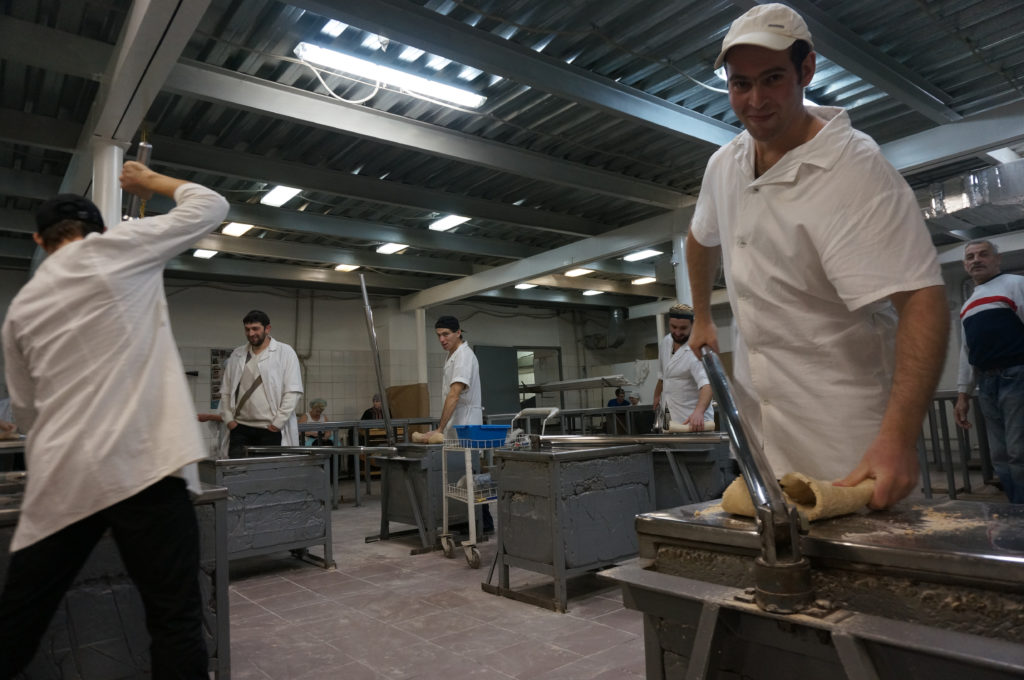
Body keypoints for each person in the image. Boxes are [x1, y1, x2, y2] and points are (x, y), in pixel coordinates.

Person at [685, 3, 948, 509]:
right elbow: (700, 237)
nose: (755, 100)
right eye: (741, 84)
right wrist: (701, 317)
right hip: (763, 426)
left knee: (864, 572)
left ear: (807, 71)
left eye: (772, 79)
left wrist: (897, 438)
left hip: (844, 430)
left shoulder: (856, 171)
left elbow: (922, 299)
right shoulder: (725, 163)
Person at [0, 162, 228, 678]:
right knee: (174, 619)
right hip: (144, 464)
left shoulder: (21, 307)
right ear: (96, 231)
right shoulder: (120, 247)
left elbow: (27, 411)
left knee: (18, 619)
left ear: (39, 239)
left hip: (64, 477)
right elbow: (211, 204)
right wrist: (148, 181)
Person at [954, 240, 1024, 503]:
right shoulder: (968, 305)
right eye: (970, 257)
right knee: (1000, 455)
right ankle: (1015, 508)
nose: (976, 260)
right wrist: (963, 395)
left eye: (983, 254)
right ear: (965, 265)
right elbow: (966, 352)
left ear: (997, 260)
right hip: (987, 383)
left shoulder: (1015, 285)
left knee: (1019, 451)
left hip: (1017, 376)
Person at [422, 316, 491, 531]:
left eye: (446, 334)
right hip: (457, 425)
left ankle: (481, 522)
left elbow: (454, 395)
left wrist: (439, 429)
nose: (442, 339)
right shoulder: (452, 356)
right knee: (461, 476)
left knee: (468, 474)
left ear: (458, 332)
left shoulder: (463, 356)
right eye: (439, 335)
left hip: (466, 425)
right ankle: (468, 520)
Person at [219, 310, 303, 458]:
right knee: (237, 475)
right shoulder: (237, 355)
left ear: (267, 328)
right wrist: (229, 420)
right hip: (240, 429)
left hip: (270, 430)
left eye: (255, 329)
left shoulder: (285, 352)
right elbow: (225, 391)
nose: (251, 333)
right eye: (247, 329)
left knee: (268, 476)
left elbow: (293, 391)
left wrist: (277, 424)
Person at [653, 304, 715, 430]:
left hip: (693, 422)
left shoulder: (699, 349)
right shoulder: (666, 342)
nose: (677, 332)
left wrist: (699, 411)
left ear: (692, 325)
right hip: (669, 419)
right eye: (673, 327)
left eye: (683, 328)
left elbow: (708, 385)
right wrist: (657, 396)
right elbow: (662, 376)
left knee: (690, 450)